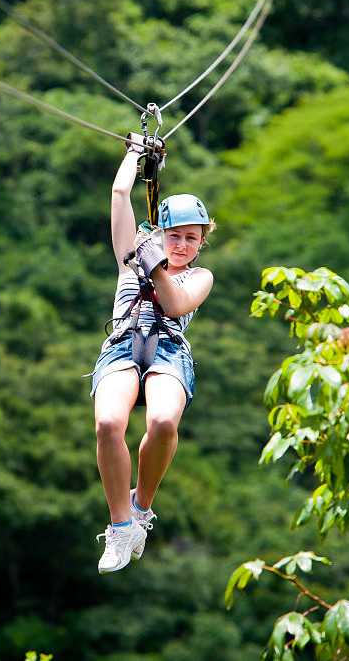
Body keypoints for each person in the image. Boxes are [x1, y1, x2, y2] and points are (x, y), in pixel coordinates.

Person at [90, 133, 214, 574]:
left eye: (190, 239)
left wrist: (155, 264)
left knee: (162, 421)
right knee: (108, 423)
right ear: (160, 232)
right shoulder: (130, 256)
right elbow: (120, 193)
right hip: (123, 342)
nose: (181, 245)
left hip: (167, 350)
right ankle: (120, 525)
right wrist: (135, 152)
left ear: (201, 243)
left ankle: (142, 507)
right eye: (174, 236)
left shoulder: (200, 276)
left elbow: (177, 304)